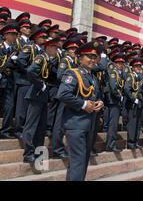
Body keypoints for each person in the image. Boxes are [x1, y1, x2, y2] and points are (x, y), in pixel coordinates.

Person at [55, 41, 104, 181]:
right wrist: (83, 104)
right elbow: (63, 94)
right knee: (78, 161)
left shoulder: (92, 77)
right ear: (80, 58)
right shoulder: (73, 73)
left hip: (89, 124)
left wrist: (100, 102)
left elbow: (96, 96)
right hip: (75, 124)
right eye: (89, 56)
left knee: (82, 161)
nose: (92, 60)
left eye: (95, 57)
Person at [51, 37, 82, 159]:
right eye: (72, 49)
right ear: (67, 51)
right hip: (65, 96)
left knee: (66, 123)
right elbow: (60, 75)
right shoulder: (65, 61)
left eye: (76, 49)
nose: (74, 51)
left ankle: (64, 148)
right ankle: (57, 149)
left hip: (73, 97)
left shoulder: (75, 63)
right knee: (59, 124)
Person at [14, 28, 47, 140]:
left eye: (44, 37)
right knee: (22, 108)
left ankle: (26, 130)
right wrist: (28, 70)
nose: (44, 39)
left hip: (35, 83)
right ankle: (19, 129)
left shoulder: (43, 51)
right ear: (36, 38)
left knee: (30, 109)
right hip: (25, 81)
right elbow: (20, 60)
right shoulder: (30, 47)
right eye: (42, 37)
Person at [105, 53, 126, 153]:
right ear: (114, 63)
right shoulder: (113, 73)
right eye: (118, 63)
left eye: (122, 63)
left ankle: (111, 143)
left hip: (116, 101)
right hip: (113, 101)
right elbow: (113, 88)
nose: (120, 65)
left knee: (114, 124)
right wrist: (120, 97)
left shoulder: (119, 74)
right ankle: (110, 145)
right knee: (113, 124)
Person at [123, 58, 143, 150]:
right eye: (136, 66)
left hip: (139, 103)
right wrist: (133, 99)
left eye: (139, 66)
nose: (138, 68)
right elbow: (126, 89)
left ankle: (135, 141)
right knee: (132, 123)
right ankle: (131, 142)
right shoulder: (130, 77)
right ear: (132, 68)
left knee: (138, 123)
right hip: (132, 104)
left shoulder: (140, 78)